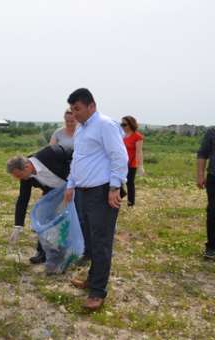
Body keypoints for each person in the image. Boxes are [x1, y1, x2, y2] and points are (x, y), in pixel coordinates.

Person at [62, 88, 128, 311]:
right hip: (83, 191)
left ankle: (98, 292)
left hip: (102, 192)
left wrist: (114, 187)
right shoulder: (82, 129)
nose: (74, 114)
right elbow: (78, 159)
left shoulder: (105, 125)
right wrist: (71, 184)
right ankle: (92, 279)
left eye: (78, 109)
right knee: (90, 237)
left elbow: (119, 156)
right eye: (72, 110)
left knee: (101, 242)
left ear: (92, 106)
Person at [7, 145, 73, 268]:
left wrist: (73, 182)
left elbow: (75, 157)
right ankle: (42, 252)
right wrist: (18, 226)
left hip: (75, 186)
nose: (18, 179)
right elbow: (23, 199)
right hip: (53, 192)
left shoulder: (50, 153)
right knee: (42, 215)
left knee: (77, 219)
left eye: (18, 176)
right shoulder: (26, 176)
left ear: (27, 167)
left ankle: (79, 253)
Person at [197, 127, 215, 260]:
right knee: (213, 212)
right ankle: (211, 248)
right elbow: (202, 154)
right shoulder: (212, 132)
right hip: (214, 177)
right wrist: (200, 175)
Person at [121, 116, 145, 207]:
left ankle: (131, 203)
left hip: (131, 163)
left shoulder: (137, 136)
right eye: (121, 124)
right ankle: (121, 195)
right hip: (121, 163)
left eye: (124, 124)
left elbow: (139, 152)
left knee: (129, 183)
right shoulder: (122, 135)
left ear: (130, 124)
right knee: (118, 181)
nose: (122, 126)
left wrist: (140, 166)